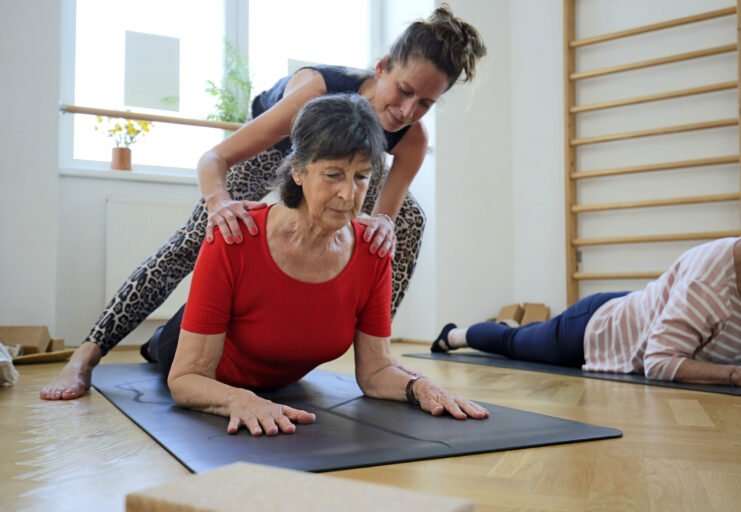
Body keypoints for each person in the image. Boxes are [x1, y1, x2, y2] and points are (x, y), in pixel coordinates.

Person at [41, 4, 487, 401]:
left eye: (426, 102)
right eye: (405, 91)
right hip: (275, 152)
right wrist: (219, 204)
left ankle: (374, 353)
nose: (409, 111)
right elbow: (213, 158)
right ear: (383, 66)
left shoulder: (412, 138)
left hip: (346, 160)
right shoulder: (316, 91)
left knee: (407, 221)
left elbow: (382, 219)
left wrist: (383, 223)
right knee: (197, 240)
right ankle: (86, 355)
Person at [143, 95, 489, 434]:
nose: (348, 195)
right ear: (297, 171)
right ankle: (153, 344)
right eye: (333, 174)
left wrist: (420, 386)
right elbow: (187, 379)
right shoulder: (235, 237)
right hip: (193, 353)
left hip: (276, 374)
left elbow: (376, 370)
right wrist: (240, 401)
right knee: (163, 345)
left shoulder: (373, 250)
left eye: (361, 177)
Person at [432, 178, 741, 389]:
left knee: (525, 335)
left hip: (643, 311)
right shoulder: (710, 278)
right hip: (598, 328)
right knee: (514, 341)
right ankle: (452, 335)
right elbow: (659, 362)